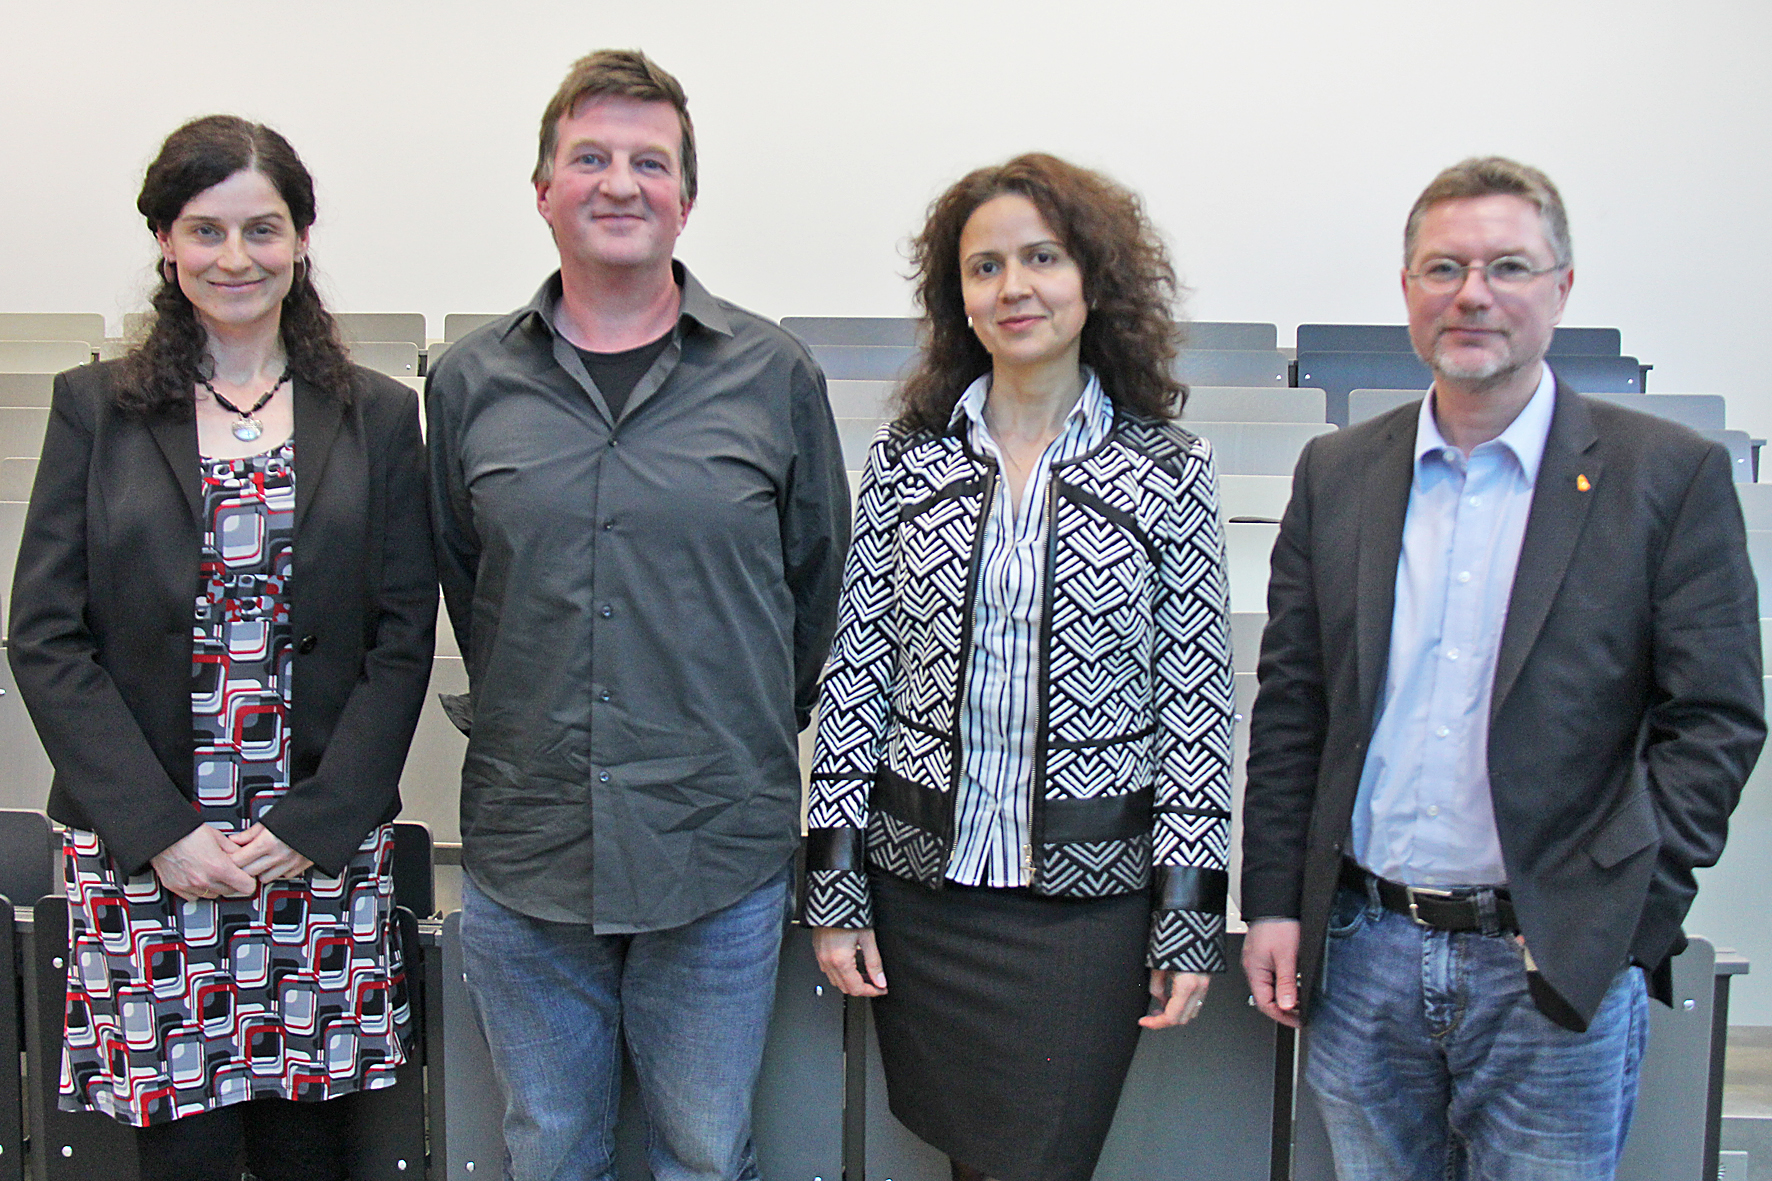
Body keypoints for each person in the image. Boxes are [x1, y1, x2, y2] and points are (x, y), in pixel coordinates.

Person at [1239, 156, 1764, 1180]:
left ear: (1561, 287)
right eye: (1443, 267)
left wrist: (1619, 920)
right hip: (1365, 954)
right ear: (1406, 289)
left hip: (1550, 968)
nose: (1471, 293)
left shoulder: (1665, 475)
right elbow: (1295, 705)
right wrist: (1274, 902)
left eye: (1507, 266)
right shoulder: (1339, 472)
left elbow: (1714, 720)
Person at [425, 49, 849, 1181]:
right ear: (543, 190)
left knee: (705, 1150)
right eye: (591, 158)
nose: (621, 183)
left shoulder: (772, 373)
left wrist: (725, 724)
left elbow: (815, 588)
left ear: (686, 199)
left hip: (716, 842)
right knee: (548, 1146)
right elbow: (471, 585)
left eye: (650, 162)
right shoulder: (467, 382)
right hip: (529, 839)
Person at [6, 115, 436, 1181]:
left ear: (300, 240)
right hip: (152, 848)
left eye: (262, 229)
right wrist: (160, 831)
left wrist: (314, 822)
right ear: (165, 242)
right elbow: (47, 635)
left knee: (310, 1148)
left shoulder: (379, 415)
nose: (234, 257)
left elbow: (401, 637)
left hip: (314, 847)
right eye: (205, 230)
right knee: (182, 1153)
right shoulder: (94, 408)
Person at [803, 153, 1235, 1181]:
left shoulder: (1168, 469)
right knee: (968, 1156)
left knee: (1045, 1158)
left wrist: (1187, 908)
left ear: (1092, 278)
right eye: (985, 266)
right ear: (957, 295)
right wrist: (834, 881)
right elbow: (856, 676)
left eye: (1041, 258)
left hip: (1088, 904)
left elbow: (1197, 705)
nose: (1014, 287)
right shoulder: (907, 460)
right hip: (925, 890)